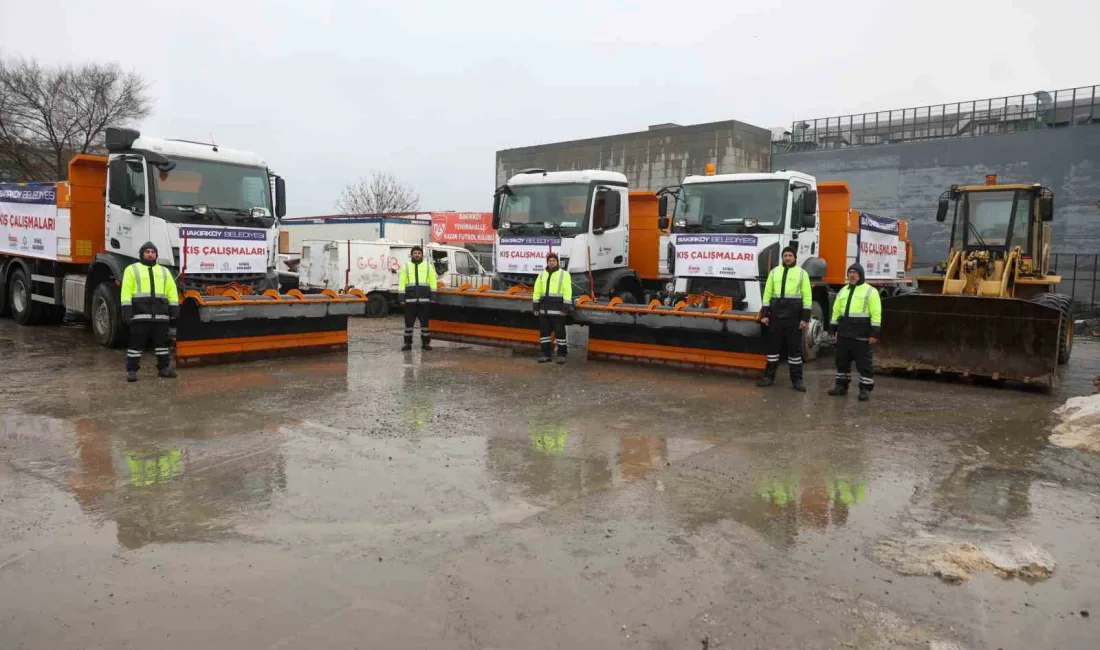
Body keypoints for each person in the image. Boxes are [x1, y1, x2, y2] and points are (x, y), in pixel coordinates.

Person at [120, 242, 179, 382]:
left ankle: (163, 369)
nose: (150, 254)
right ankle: (132, 371)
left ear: (156, 254)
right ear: (142, 254)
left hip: (160, 316)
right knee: (136, 345)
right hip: (139, 315)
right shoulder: (132, 269)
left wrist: (174, 311)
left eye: (153, 252)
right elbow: (126, 291)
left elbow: (172, 291)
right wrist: (127, 312)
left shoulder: (164, 271)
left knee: (162, 345)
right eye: (147, 251)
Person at [757, 245, 812, 391]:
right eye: (785, 255)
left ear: (794, 257)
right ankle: (768, 377)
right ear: (782, 257)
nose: (787, 258)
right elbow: (767, 294)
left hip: (794, 317)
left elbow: (807, 297)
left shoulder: (802, 274)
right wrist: (764, 314)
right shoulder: (774, 272)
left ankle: (797, 381)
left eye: (790, 256)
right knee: (773, 349)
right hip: (776, 316)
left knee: (794, 350)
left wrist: (805, 319)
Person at [828, 262, 882, 402]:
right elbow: (836, 311)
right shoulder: (843, 291)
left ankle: (865, 389)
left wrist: (874, 333)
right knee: (842, 361)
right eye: (850, 273)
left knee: (864, 364)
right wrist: (832, 327)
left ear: (860, 275)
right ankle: (841, 386)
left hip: (861, 334)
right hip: (844, 333)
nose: (852, 275)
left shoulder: (871, 291)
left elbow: (876, 313)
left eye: (855, 273)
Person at [532, 252, 573, 364]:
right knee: (544, 334)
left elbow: (567, 291)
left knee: (560, 334)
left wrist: (565, 307)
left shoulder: (564, 274)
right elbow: (537, 291)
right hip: (543, 310)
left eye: (553, 260)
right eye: (549, 260)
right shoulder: (541, 274)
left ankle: (561, 355)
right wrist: (535, 306)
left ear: (557, 262)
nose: (551, 262)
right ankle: (546, 355)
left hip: (558, 310)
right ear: (547, 262)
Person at [398, 245, 437, 351]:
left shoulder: (428, 266)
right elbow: (401, 282)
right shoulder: (406, 266)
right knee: (409, 325)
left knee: (425, 324)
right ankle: (407, 343)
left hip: (424, 301)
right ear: (411, 254)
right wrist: (401, 298)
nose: (417, 255)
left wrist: (433, 296)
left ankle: (425, 344)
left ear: (422, 255)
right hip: (410, 301)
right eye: (415, 253)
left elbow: (433, 281)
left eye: (419, 253)